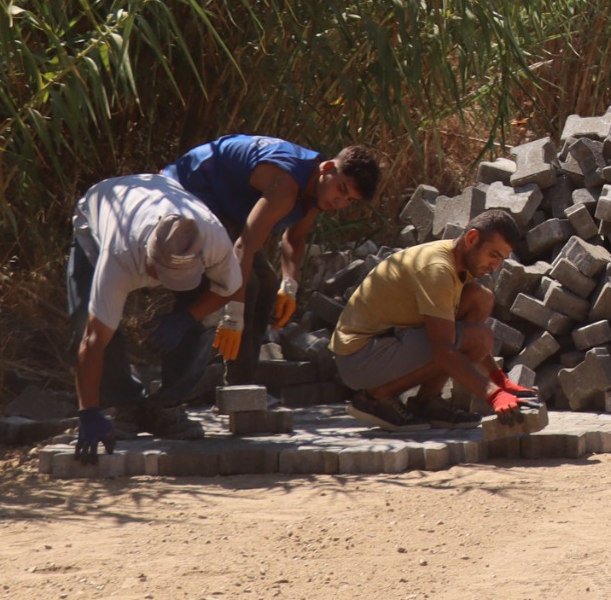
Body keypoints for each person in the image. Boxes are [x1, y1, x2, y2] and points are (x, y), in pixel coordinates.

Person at [66, 173, 247, 460]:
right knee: (87, 319)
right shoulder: (119, 256)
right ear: (149, 261)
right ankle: (126, 405)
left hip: (158, 196)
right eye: (166, 277)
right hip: (100, 215)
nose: (170, 285)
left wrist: (186, 317)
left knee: (205, 314)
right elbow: (93, 341)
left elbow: (230, 288)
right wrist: (87, 411)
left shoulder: (211, 237)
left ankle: (166, 406)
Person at [164, 136, 381, 367]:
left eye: (349, 200)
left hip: (225, 207)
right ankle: (191, 391)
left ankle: (243, 384)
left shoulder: (317, 189)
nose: (340, 201)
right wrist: (233, 317)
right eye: (342, 189)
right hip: (190, 190)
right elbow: (243, 248)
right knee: (246, 287)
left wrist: (289, 285)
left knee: (267, 285)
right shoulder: (287, 184)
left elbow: (294, 239)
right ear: (327, 168)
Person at [330, 210, 535, 429]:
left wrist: (498, 378)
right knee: (478, 337)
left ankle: (426, 402)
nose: (495, 266)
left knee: (479, 298)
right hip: (360, 358)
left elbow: (460, 335)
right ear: (472, 238)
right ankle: (375, 398)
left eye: (501, 259)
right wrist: (493, 395)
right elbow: (444, 349)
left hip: (386, 340)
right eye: (493, 255)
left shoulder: (458, 259)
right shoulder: (438, 270)